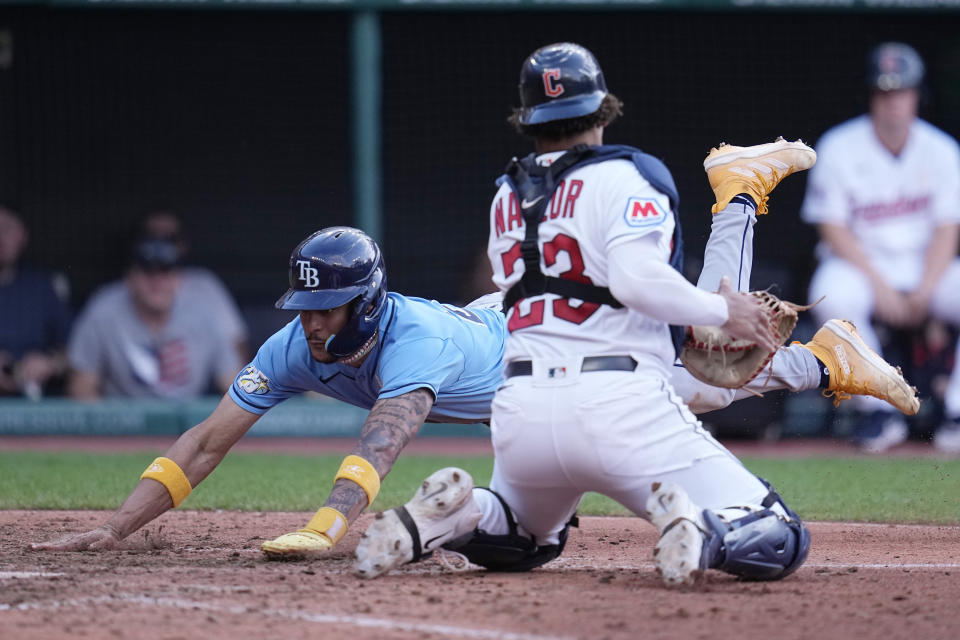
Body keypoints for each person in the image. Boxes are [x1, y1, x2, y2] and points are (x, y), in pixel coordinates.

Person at [31, 212, 915, 564]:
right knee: (708, 380)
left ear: (365, 304)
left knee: (709, 374)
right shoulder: (297, 343)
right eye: (304, 307)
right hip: (514, 341)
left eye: (327, 309)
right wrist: (115, 528)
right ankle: (823, 357)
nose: (310, 323)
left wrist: (330, 525)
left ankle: (736, 201)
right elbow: (205, 440)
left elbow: (389, 432)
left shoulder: (405, 339)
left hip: (559, 348)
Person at [351, 42, 917, 588]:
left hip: (520, 412)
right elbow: (637, 280)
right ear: (601, 109)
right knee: (779, 536)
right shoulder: (621, 175)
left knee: (526, 539)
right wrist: (723, 308)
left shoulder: (506, 195)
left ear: (529, 119)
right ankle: (703, 529)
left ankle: (455, 515)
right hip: (618, 404)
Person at [801, 42, 960, 453]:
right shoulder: (839, 145)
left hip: (928, 269)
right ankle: (877, 410)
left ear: (916, 95)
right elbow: (832, 228)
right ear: (872, 96)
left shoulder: (942, 149)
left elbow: (948, 228)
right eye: (884, 93)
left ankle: (957, 412)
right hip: (862, 267)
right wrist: (883, 288)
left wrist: (925, 289)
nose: (894, 103)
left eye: (901, 92)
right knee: (831, 294)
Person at [66, 232, 242, 399]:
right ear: (130, 278)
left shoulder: (203, 312)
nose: (157, 281)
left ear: (178, 279)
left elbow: (232, 385)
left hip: (190, 424)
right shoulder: (103, 311)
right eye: (147, 271)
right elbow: (82, 388)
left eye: (165, 271)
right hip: (124, 424)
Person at [139, 211, 250, 363]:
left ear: (183, 244)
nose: (161, 245)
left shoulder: (204, 286)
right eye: (153, 237)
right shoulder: (113, 297)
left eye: (170, 239)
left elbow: (235, 343)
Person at [0, 205, 72, 398]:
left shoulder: (42, 287)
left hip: (35, 407)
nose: (0, 236)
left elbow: (76, 352)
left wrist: (50, 363)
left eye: (6, 228)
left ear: (22, 236)